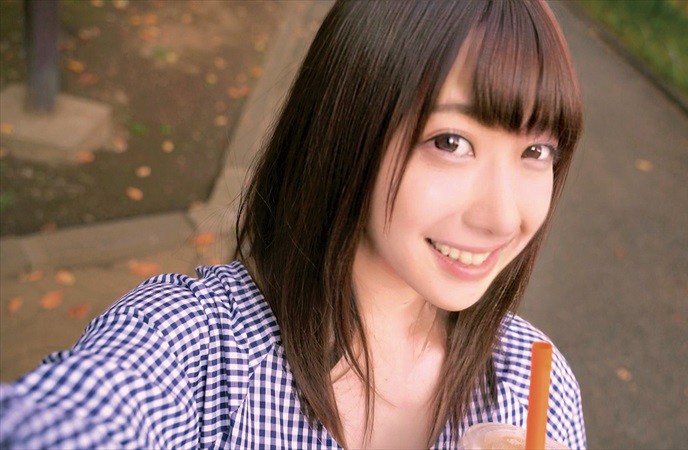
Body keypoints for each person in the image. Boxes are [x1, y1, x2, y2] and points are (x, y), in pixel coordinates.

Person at [0, 0, 585, 448]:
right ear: (346, 130)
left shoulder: (535, 389)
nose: (502, 217)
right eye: (451, 142)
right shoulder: (197, 348)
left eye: (536, 152)